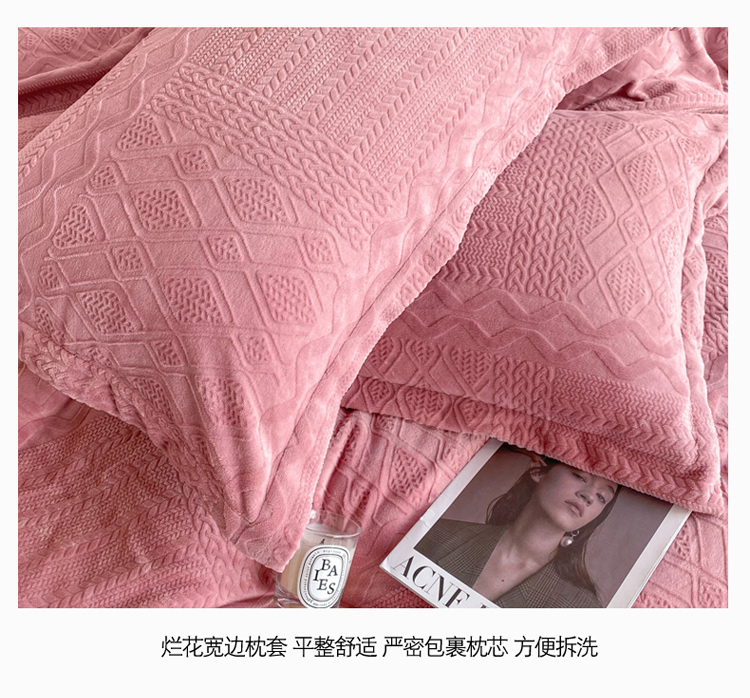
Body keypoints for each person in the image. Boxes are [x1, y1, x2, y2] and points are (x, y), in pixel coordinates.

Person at [415, 449, 620, 607]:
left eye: (602, 497)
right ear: (538, 471)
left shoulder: (581, 608)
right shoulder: (438, 535)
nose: (589, 496)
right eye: (579, 476)